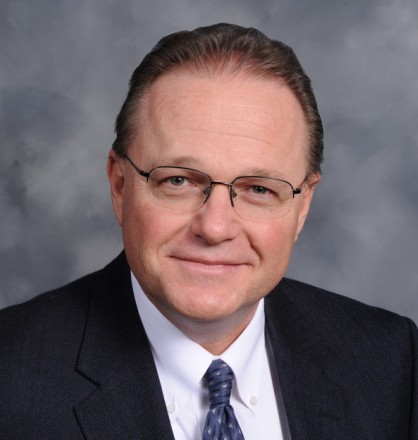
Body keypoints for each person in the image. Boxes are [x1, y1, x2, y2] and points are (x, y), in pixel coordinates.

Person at [0, 23, 416, 440]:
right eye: (178, 180)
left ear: (302, 204)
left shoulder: (390, 359)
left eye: (258, 189)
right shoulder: (11, 379)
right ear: (120, 185)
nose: (215, 228)